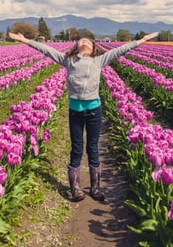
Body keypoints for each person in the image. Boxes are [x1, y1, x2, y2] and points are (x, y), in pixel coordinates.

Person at [8, 31, 159, 202]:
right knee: (77, 148)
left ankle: (95, 187)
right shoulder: (69, 60)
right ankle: (75, 188)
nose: (85, 42)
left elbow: (121, 50)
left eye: (88, 41)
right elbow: (46, 50)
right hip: (75, 111)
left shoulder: (98, 61)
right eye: (82, 41)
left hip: (94, 110)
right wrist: (25, 40)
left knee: (93, 148)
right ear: (76, 46)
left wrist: (142, 40)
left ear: (94, 48)